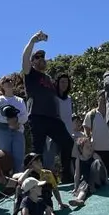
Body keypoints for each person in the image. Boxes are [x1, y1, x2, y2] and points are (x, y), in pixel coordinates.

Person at [21, 30, 74, 183]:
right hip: (37, 117)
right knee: (37, 151)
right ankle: (34, 181)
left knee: (68, 143)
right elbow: (24, 58)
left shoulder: (49, 78)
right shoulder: (30, 74)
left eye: (43, 57)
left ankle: (67, 177)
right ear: (33, 61)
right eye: (38, 57)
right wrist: (32, 41)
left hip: (53, 118)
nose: (42, 59)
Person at [0, 76, 28, 172]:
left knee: (19, 160)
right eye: (6, 81)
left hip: (18, 131)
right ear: (2, 85)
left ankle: (19, 179)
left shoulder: (19, 100)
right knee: (4, 158)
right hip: (3, 132)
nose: (9, 82)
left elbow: (24, 116)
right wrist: (10, 122)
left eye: (10, 81)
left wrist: (16, 122)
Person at [69, 136, 108, 208]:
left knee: (97, 162)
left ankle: (91, 187)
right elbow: (77, 174)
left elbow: (103, 168)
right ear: (81, 149)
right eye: (87, 147)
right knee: (83, 187)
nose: (90, 148)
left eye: (90, 146)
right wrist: (76, 187)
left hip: (98, 179)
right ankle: (79, 200)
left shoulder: (95, 155)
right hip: (87, 181)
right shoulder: (78, 159)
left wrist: (106, 180)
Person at [83, 91, 109, 176]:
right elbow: (86, 133)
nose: (104, 99)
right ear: (98, 99)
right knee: (97, 175)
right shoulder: (91, 115)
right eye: (102, 97)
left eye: (106, 97)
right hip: (96, 151)